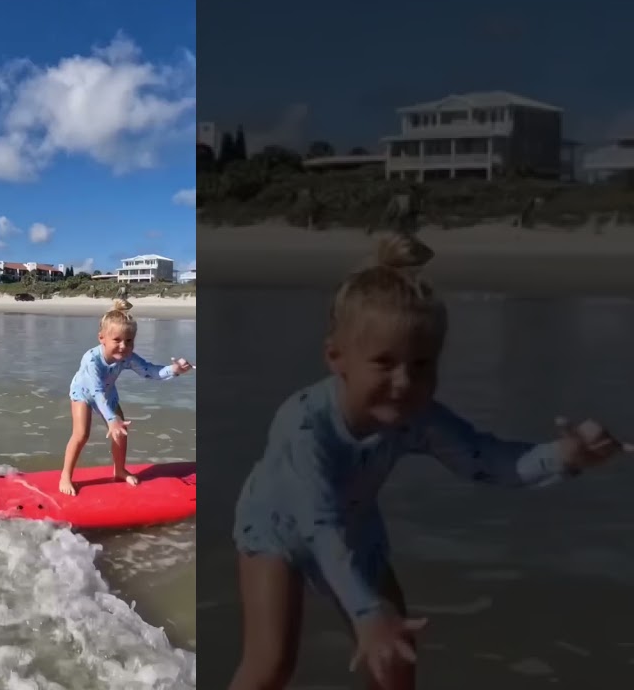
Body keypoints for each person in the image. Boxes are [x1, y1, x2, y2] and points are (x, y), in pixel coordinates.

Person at [228, 233, 631, 690]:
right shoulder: (303, 425)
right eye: (385, 362)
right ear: (336, 357)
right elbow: (318, 525)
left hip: (356, 530)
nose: (404, 382)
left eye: (422, 365)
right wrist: (367, 614)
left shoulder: (415, 417)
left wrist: (565, 455)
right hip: (276, 531)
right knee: (271, 664)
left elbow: (488, 460)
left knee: (396, 658)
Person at [59, 300, 194, 496]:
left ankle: (120, 470)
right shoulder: (91, 360)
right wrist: (112, 420)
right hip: (83, 393)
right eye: (117, 340)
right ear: (102, 338)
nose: (124, 346)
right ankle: (65, 476)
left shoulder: (127, 357)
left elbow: (151, 371)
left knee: (121, 433)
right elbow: (95, 392)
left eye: (129, 341)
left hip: (107, 393)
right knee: (81, 434)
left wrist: (175, 370)